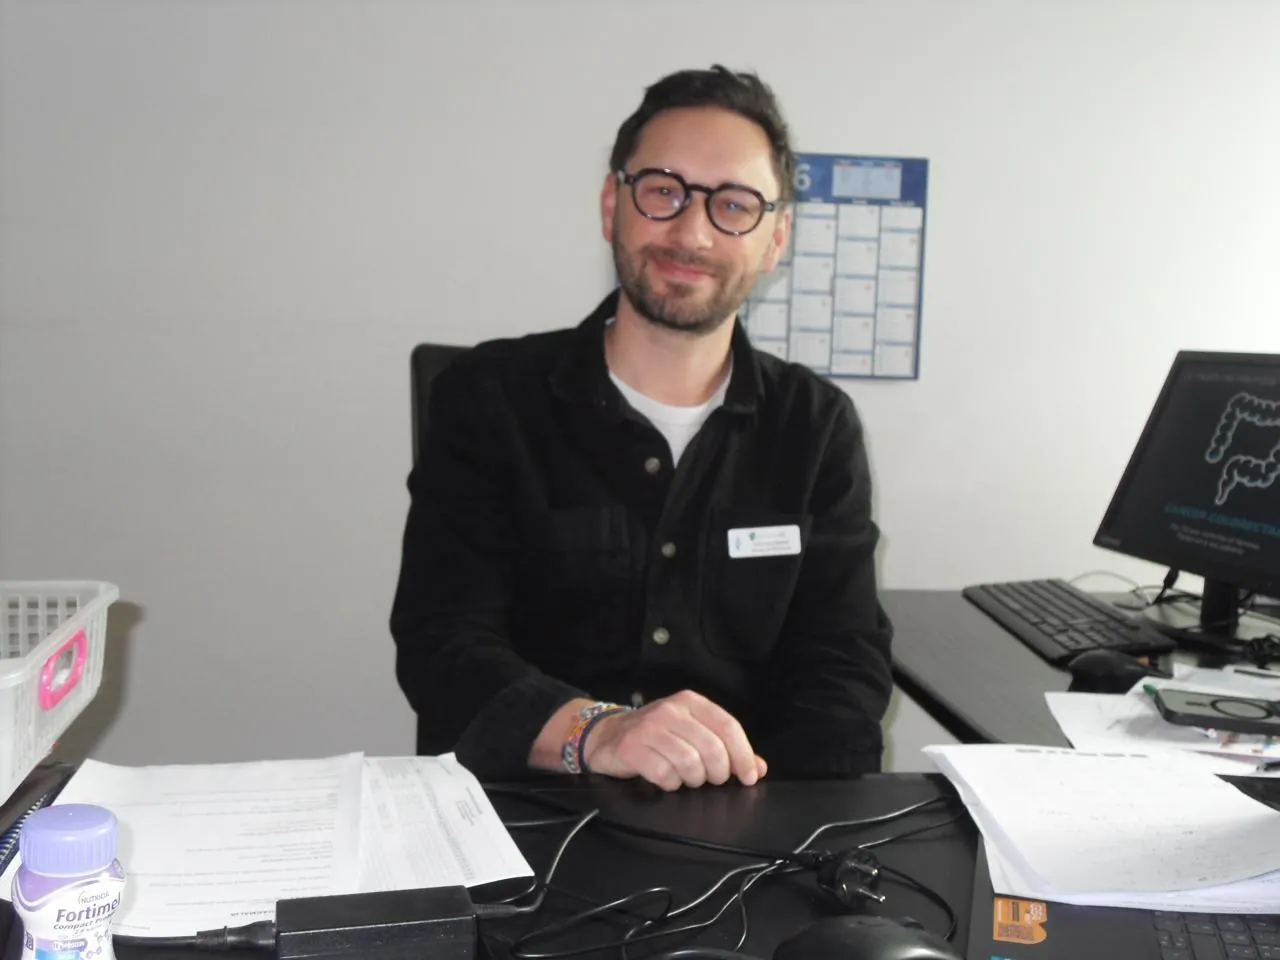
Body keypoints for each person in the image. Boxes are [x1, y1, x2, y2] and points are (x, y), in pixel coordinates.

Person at [390, 65, 893, 791]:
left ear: (776, 239)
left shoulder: (815, 428)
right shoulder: (489, 398)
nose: (692, 232)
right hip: (526, 812)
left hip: (742, 817)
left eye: (734, 205)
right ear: (611, 206)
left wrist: (779, 826)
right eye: (663, 191)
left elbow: (842, 672)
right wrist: (598, 732)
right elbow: (442, 645)